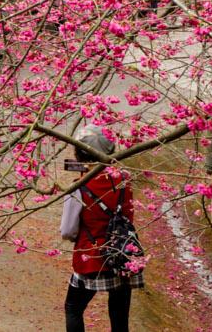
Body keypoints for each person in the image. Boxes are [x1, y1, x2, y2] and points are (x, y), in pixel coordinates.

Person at [60, 131, 142, 332]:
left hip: (92, 256)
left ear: (79, 153)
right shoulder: (124, 179)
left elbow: (68, 230)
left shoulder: (78, 187)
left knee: (73, 308)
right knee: (119, 317)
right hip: (123, 253)